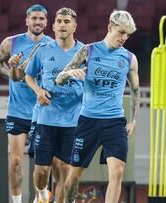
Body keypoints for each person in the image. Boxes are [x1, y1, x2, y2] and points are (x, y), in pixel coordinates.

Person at [55, 10, 141, 203]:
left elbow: (136, 91)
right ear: (110, 27)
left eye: (127, 34)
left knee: (117, 173)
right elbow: (59, 78)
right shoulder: (88, 51)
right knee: (73, 176)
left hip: (115, 122)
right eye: (121, 32)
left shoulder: (129, 59)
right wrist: (70, 73)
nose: (124, 38)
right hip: (88, 121)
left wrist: (134, 120)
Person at [0, 4, 52, 203]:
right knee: (16, 161)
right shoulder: (12, 43)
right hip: (17, 110)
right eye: (34, 18)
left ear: (46, 21)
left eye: (41, 19)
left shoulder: (52, 45)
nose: (37, 22)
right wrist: (11, 72)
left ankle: (39, 198)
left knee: (42, 164)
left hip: (42, 111)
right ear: (27, 20)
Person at [25, 7, 85, 203]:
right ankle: (42, 193)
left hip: (73, 121)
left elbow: (92, 82)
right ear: (53, 26)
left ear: (74, 26)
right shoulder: (43, 50)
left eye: (67, 21)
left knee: (66, 171)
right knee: (42, 170)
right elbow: (29, 76)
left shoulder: (85, 52)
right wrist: (39, 91)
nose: (62, 25)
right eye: (59, 21)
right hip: (46, 117)